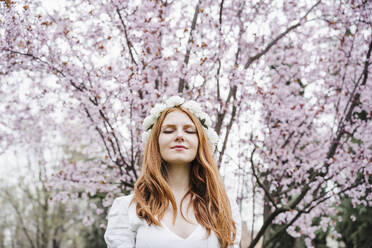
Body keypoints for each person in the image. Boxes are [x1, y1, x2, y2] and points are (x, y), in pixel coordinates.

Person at [104, 96, 241, 248]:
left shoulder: (222, 206)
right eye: (169, 131)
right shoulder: (126, 208)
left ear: (201, 142)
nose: (180, 136)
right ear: (155, 142)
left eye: (189, 131)